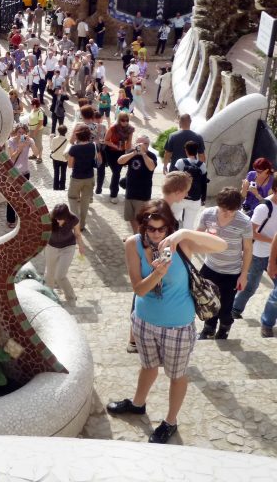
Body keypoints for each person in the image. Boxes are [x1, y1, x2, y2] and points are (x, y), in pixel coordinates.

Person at [107, 200, 227, 444]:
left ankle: (170, 421)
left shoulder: (180, 242)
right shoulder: (133, 244)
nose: (156, 234)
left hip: (178, 325)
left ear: (170, 227)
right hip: (144, 320)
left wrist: (183, 232)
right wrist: (158, 273)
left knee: (176, 374)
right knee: (148, 365)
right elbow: (139, 289)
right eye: (151, 228)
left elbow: (222, 245)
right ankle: (138, 404)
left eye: (163, 229)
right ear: (142, 226)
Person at [196, 188, 252, 340]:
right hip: (210, 267)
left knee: (225, 308)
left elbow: (247, 249)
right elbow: (196, 235)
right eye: (223, 210)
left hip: (232, 272)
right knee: (208, 302)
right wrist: (205, 237)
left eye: (231, 211)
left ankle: (225, 327)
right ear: (218, 204)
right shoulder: (208, 214)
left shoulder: (244, 222)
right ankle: (209, 328)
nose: (227, 213)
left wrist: (244, 275)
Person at [232, 176, 277, 320]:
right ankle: (235, 309)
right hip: (259, 254)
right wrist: (273, 241)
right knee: (251, 286)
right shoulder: (264, 207)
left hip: (274, 253)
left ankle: (267, 321)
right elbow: (251, 232)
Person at [45, 204, 84, 301]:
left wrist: (81, 247)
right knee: (49, 274)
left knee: (60, 276)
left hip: (68, 247)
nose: (58, 221)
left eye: (60, 219)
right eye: (56, 218)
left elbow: (78, 234)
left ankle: (71, 297)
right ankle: (49, 296)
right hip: (51, 246)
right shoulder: (50, 216)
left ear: (66, 216)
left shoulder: (73, 219)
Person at [118, 135, 157, 233]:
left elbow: (151, 167)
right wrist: (134, 153)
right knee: (131, 218)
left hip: (143, 194)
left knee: (141, 219)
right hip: (130, 192)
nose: (138, 145)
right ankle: (136, 235)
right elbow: (120, 161)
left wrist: (143, 154)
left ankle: (141, 237)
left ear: (147, 145)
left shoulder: (151, 156)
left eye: (141, 143)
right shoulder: (132, 153)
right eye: (137, 143)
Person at [6, 124, 39, 228]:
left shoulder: (28, 140)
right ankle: (10, 219)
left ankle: (21, 216)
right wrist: (20, 148)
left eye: (23, 132)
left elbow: (36, 153)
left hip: (25, 172)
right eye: (19, 132)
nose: (21, 134)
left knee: (24, 196)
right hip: (14, 173)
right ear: (16, 132)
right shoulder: (11, 141)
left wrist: (31, 143)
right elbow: (12, 157)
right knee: (12, 196)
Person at [67, 125, 98, 231]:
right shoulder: (93, 146)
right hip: (89, 177)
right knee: (85, 202)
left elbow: (70, 165)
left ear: (77, 135)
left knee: (72, 199)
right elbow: (99, 160)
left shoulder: (74, 148)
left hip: (76, 178)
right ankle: (82, 224)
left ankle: (75, 224)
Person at [174, 140, 208, 229]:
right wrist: (203, 198)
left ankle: (172, 239)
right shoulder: (202, 165)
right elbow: (204, 183)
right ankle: (185, 241)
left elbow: (173, 180)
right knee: (188, 225)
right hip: (195, 198)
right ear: (196, 151)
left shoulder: (180, 162)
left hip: (179, 197)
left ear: (186, 150)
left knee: (173, 220)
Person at [103, 113, 134, 203]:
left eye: (127, 120)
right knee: (116, 172)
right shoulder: (113, 128)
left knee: (117, 172)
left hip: (121, 151)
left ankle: (114, 190)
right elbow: (105, 141)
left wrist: (127, 154)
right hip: (110, 151)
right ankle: (114, 194)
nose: (125, 122)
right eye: (123, 120)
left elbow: (129, 142)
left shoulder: (130, 129)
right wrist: (115, 145)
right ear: (119, 120)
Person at [27, 99, 46, 164]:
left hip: (38, 130)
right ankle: (35, 155)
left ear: (34, 105)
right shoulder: (32, 110)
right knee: (33, 142)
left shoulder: (40, 113)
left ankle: (40, 157)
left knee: (38, 143)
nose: (30, 105)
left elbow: (40, 123)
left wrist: (35, 131)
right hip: (31, 129)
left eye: (31, 104)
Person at [51, 125, 69, 191]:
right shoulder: (67, 141)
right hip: (64, 159)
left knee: (56, 172)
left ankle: (55, 187)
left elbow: (52, 149)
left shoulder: (54, 139)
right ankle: (62, 187)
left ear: (58, 131)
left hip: (55, 158)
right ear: (66, 132)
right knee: (63, 173)